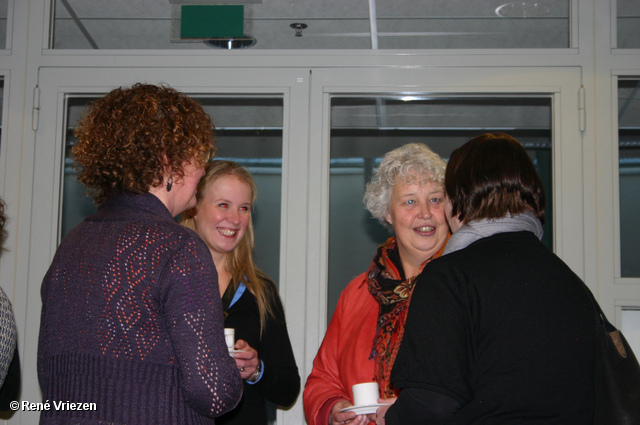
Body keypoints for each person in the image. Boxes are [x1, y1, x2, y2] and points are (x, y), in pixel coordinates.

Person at [37, 83, 243, 424]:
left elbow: (52, 377)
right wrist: (232, 372)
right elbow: (214, 391)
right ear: (168, 162)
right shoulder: (179, 246)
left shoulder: (71, 244)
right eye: (198, 158)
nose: (205, 170)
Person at [379, 132, 595, 425]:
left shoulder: (449, 277)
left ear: (457, 199)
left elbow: (432, 404)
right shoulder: (569, 281)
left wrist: (391, 417)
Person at [303, 143, 450, 425]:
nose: (425, 213)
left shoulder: (468, 287)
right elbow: (322, 379)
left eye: (435, 199)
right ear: (387, 213)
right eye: (409, 201)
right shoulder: (357, 293)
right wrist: (334, 409)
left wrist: (411, 411)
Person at [181, 160, 300, 425]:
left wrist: (256, 370)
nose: (235, 219)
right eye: (223, 204)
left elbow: (288, 389)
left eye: (243, 208)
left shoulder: (260, 291)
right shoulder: (168, 282)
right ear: (194, 208)